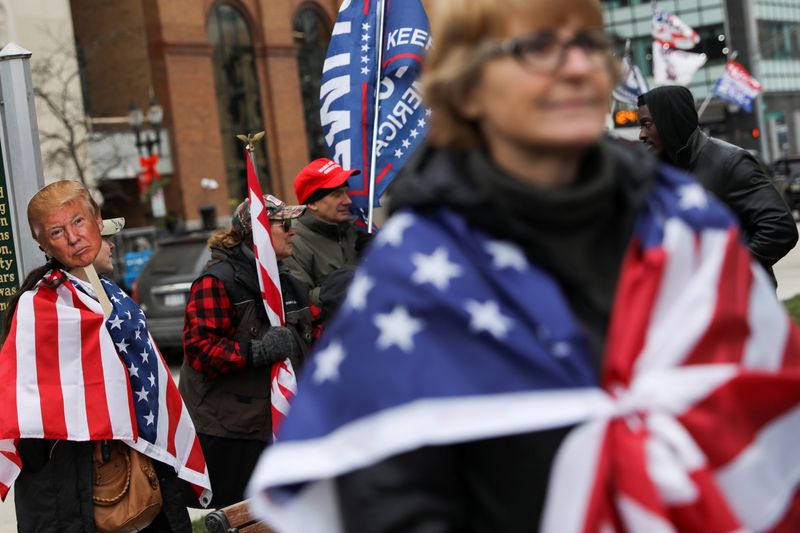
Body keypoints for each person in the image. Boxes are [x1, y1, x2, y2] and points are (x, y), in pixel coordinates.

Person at [243, 1, 800, 532]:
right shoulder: (418, 259)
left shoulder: (681, 219)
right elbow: (370, 468)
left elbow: (762, 419)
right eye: (532, 52)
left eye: (583, 43)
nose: (572, 68)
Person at [0, 180, 207, 533]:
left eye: (78, 222)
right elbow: (22, 402)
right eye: (56, 231)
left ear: (97, 220)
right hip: (74, 483)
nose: (73, 237)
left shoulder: (113, 297)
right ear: (42, 243)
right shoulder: (38, 307)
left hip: (140, 462)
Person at [179, 194, 313, 508]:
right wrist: (255, 352)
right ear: (260, 233)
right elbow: (200, 350)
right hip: (232, 431)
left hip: (280, 424)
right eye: (285, 224)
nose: (293, 231)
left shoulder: (290, 284)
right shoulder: (217, 282)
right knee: (241, 518)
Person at [638, 85, 797, 283]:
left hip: (737, 303)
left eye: (647, 124)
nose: (641, 135)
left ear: (669, 120)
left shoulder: (729, 161)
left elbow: (779, 228)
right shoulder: (661, 170)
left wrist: (722, 271)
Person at [282, 158, 368, 308]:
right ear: (312, 203)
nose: (347, 201)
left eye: (346, 193)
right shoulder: (292, 243)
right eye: (337, 194)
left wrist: (382, 252)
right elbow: (301, 301)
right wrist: (343, 285)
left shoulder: (353, 232)